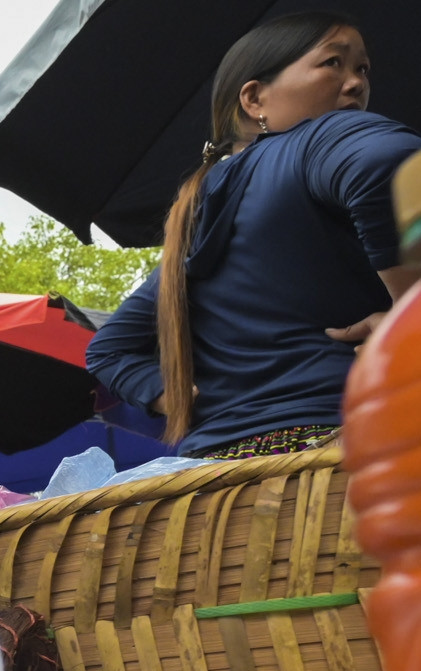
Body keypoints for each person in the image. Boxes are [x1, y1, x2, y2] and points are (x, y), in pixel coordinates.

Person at [87, 14, 421, 459]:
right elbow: (392, 165)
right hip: (347, 450)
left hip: (216, 478)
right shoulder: (324, 137)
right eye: (333, 63)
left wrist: (179, 397)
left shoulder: (193, 220)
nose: (356, 83)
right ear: (254, 97)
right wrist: (409, 311)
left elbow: (109, 350)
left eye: (362, 69)